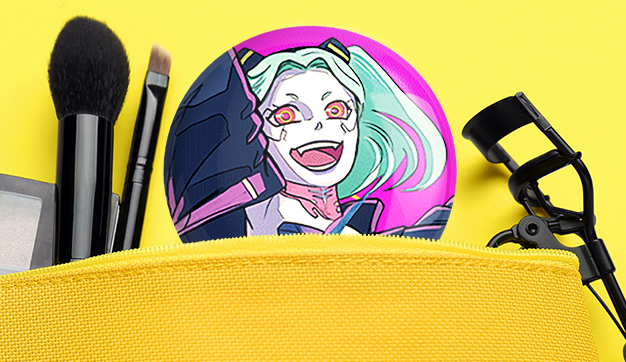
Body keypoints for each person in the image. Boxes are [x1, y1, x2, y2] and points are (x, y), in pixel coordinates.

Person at [165, 37, 452, 240]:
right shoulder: (242, 218)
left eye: (336, 110)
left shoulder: (376, 221)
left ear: (358, 119)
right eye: (287, 115)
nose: (318, 125)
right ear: (257, 130)